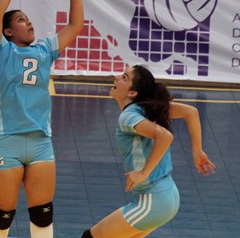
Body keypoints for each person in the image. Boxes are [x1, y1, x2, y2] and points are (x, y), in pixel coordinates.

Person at [0, 0, 84, 238]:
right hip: (6, 139)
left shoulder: (45, 49)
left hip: (40, 141)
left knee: (43, 214)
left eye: (28, 18)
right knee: (3, 215)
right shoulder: (0, 51)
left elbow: (75, 25)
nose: (29, 22)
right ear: (8, 31)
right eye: (21, 20)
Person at [81, 65, 216, 238]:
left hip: (153, 201)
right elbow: (191, 112)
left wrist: (143, 173)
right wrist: (197, 151)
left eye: (124, 77)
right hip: (167, 195)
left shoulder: (129, 116)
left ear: (132, 92)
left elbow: (165, 136)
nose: (116, 77)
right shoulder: (148, 108)